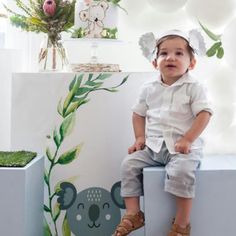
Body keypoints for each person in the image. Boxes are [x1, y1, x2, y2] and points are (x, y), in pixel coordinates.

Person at [113, 29, 213, 236]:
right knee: (129, 164)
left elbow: (204, 114)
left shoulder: (194, 87)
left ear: (191, 63)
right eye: (163, 53)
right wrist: (140, 138)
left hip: (182, 148)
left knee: (182, 173)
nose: (170, 57)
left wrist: (188, 139)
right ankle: (133, 214)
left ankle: (182, 224)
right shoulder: (148, 88)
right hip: (154, 146)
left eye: (179, 53)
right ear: (154, 62)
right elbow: (138, 114)